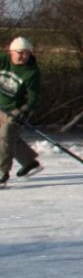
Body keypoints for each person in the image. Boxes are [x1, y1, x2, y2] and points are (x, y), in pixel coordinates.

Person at [0, 36, 43, 185]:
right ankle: (29, 162)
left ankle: (2, 172)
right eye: (20, 52)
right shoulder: (3, 61)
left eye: (27, 53)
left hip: (16, 110)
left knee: (5, 134)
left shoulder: (31, 72)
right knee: (9, 138)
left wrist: (25, 110)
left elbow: (34, 96)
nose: (24, 56)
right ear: (12, 51)